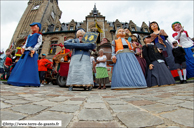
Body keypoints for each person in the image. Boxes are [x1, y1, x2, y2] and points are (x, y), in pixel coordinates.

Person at [8, 22, 42, 87]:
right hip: (26, 52)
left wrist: (34, 49)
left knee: (30, 66)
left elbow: (39, 43)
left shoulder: (38, 35)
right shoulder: (29, 35)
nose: (32, 27)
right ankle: (17, 79)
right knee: (21, 65)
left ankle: (30, 80)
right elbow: (26, 43)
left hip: (31, 52)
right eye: (31, 26)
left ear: (38, 27)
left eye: (34, 26)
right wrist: (23, 48)